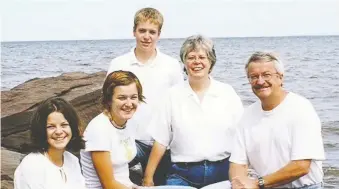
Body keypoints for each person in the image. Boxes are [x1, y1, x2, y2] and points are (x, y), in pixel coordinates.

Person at [143, 35, 244, 188]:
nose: (197, 62)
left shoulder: (227, 92)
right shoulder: (172, 95)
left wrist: (244, 175)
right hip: (182, 174)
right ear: (184, 62)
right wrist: (148, 178)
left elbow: (242, 137)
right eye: (191, 57)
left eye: (202, 57)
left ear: (211, 61)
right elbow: (161, 141)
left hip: (223, 172)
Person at [106, 7, 184, 185]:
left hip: (162, 144)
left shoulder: (171, 65)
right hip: (129, 140)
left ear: (159, 34)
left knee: (158, 184)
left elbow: (178, 104)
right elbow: (109, 102)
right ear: (134, 31)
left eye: (152, 32)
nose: (146, 36)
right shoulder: (119, 63)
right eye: (142, 31)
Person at [229, 51, 325, 189]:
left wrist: (258, 183)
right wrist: (239, 183)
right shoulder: (247, 115)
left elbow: (301, 166)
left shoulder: (301, 109)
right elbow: (238, 163)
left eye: (266, 75)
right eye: (254, 77)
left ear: (280, 77)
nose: (260, 81)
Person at [80, 70, 145, 189]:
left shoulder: (127, 122)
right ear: (109, 100)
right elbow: (109, 185)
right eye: (122, 98)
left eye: (133, 97)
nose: (129, 103)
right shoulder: (99, 129)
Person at [14, 97, 86, 189]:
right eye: (51, 126)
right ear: (41, 130)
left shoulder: (72, 161)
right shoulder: (32, 165)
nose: (59, 131)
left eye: (64, 125)